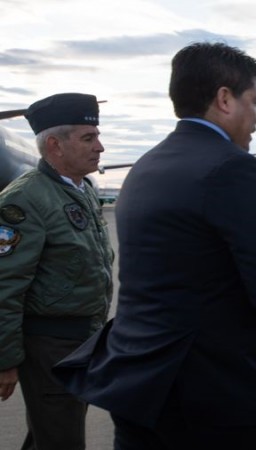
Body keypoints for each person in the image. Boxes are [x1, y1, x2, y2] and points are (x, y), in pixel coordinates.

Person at [52, 42, 256, 450]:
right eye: (253, 101)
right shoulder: (234, 168)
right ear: (224, 98)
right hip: (211, 393)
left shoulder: (146, 166)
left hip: (139, 384)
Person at [0, 93, 114, 450]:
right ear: (54, 144)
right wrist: (5, 360)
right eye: (88, 138)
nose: (100, 147)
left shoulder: (80, 189)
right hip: (50, 346)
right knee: (61, 439)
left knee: (52, 434)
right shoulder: (25, 199)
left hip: (82, 338)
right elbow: (5, 285)